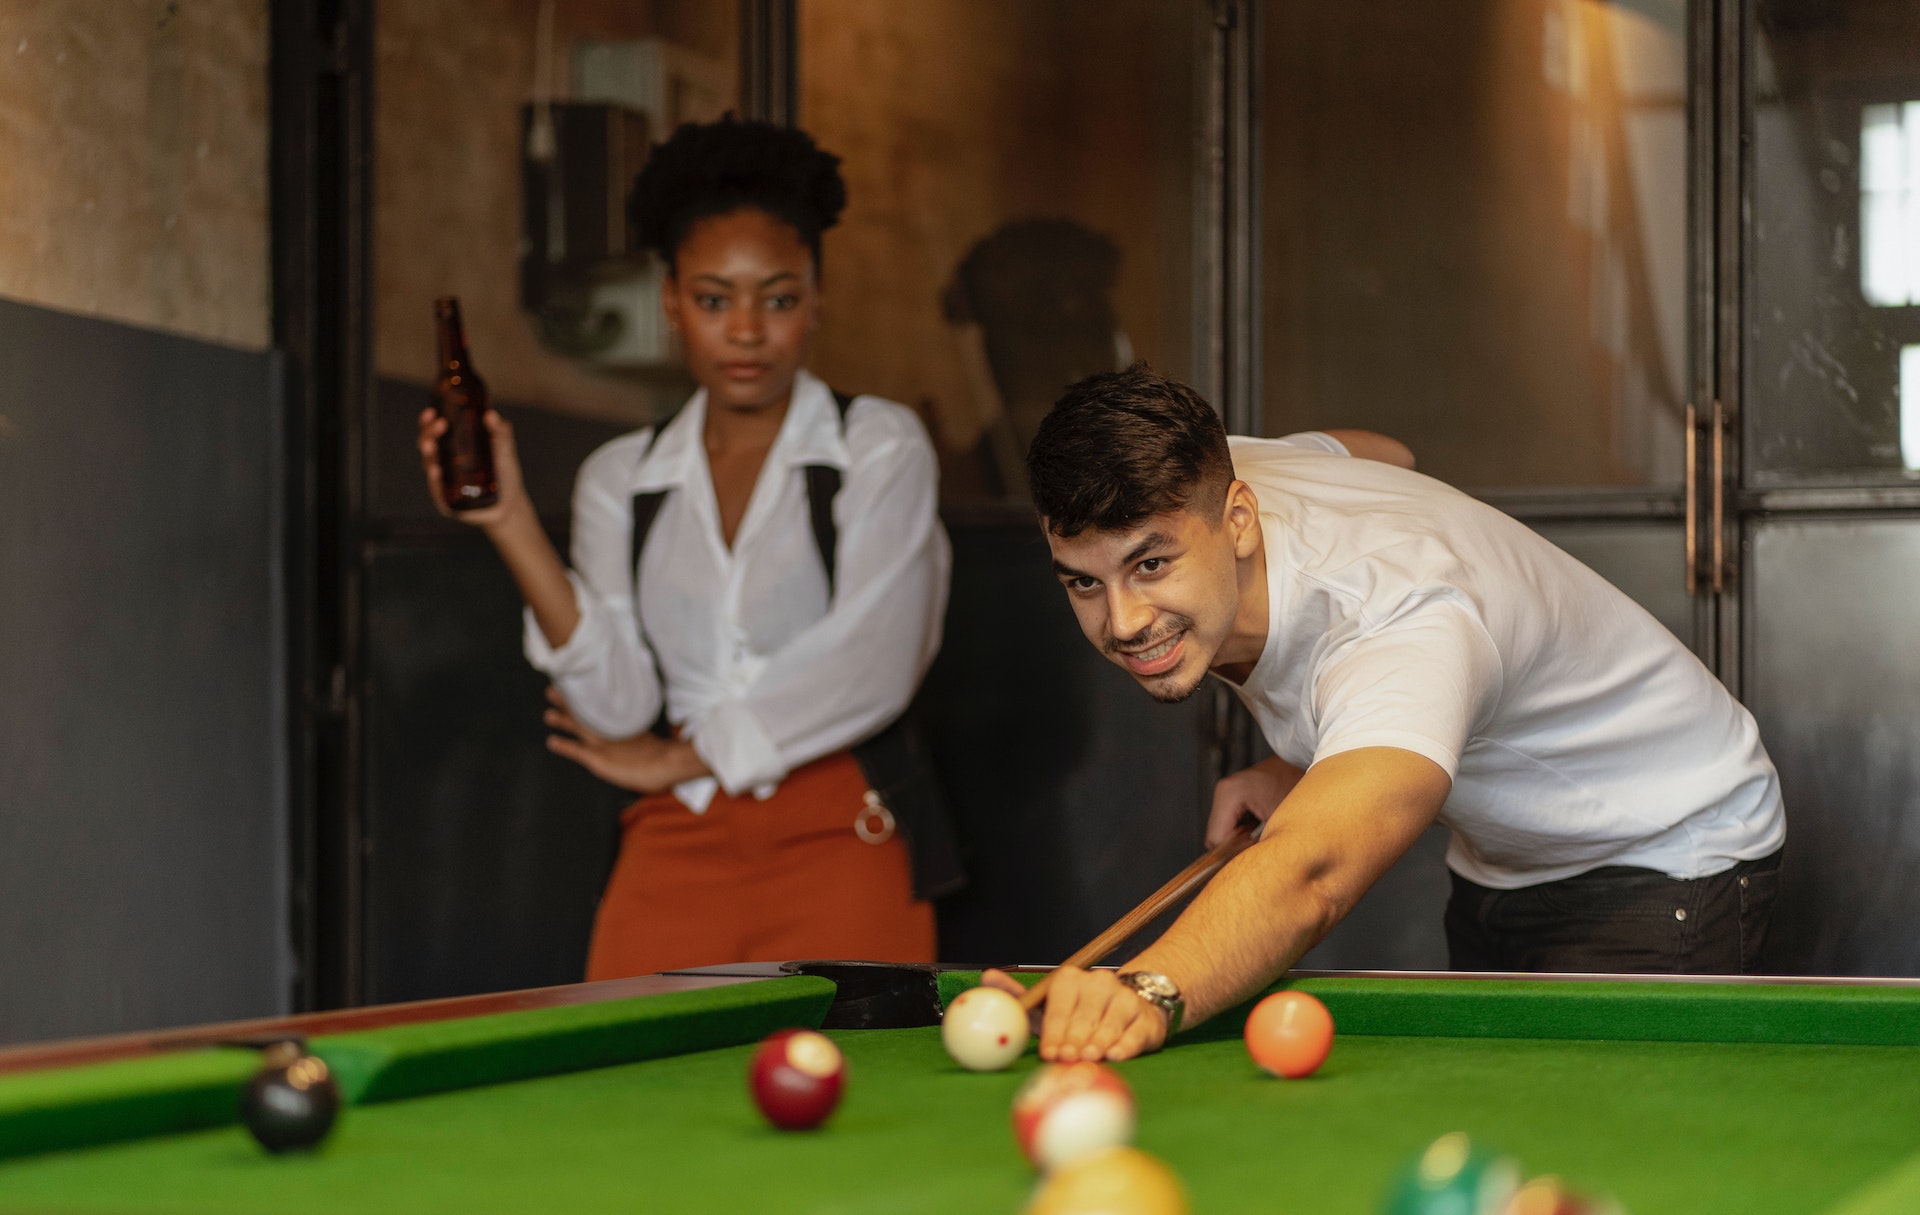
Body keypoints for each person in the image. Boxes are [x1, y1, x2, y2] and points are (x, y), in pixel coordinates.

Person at [983, 365, 1784, 1062]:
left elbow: (1311, 873)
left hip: (1664, 850)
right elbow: (1382, 452)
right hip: (1502, 860)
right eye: (1083, 582)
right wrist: (1301, 758)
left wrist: (1146, 990)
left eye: (1150, 564)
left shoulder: (1400, 618)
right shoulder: (1231, 467)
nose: (1122, 621)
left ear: (1238, 518)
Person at [416, 117, 954, 978]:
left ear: (818, 298)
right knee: (629, 1089)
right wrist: (509, 518)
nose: (746, 330)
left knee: (862, 1093)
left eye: (777, 298)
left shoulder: (877, 445)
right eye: (713, 299)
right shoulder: (619, 478)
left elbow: (874, 659)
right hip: (674, 836)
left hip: (841, 832)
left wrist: (682, 753)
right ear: (670, 302)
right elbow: (619, 705)